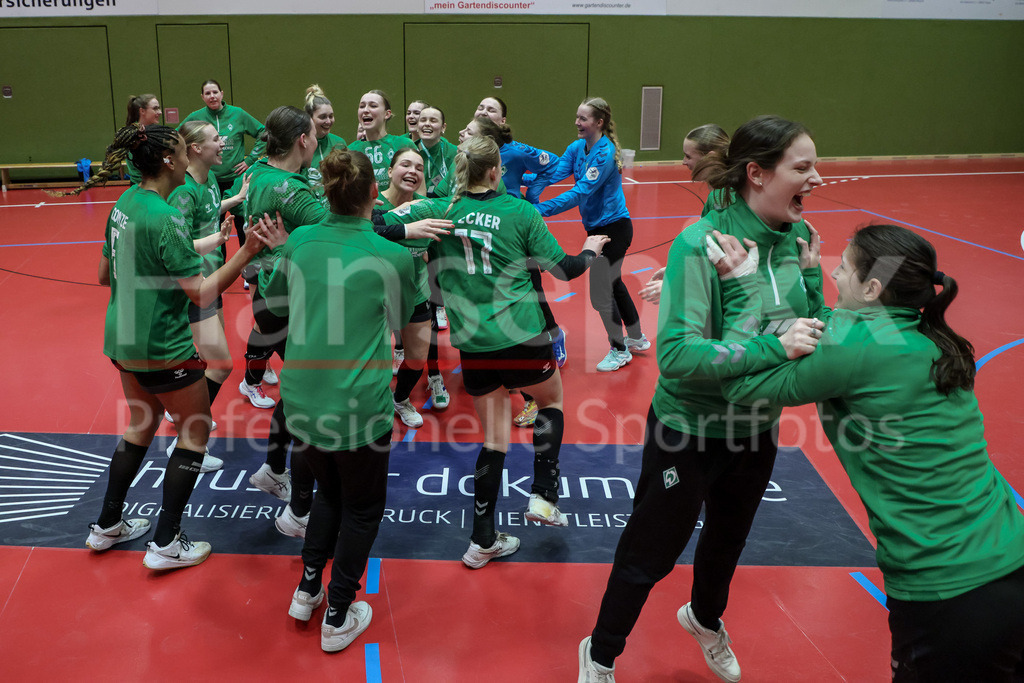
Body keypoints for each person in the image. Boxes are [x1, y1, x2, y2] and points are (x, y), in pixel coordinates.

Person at [577, 115, 826, 683]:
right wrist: (775, 345)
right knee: (651, 553)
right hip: (688, 430)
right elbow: (680, 358)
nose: (817, 179)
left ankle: (705, 619)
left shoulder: (796, 239)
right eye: (804, 167)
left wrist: (811, 286)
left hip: (757, 427)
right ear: (758, 174)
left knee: (727, 542)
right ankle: (601, 652)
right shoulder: (701, 243)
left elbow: (801, 322)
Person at [718, 224, 1024, 682]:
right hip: (1010, 556)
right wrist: (807, 279)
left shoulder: (854, 346)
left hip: (947, 588)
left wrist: (742, 290)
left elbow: (740, 383)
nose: (834, 274)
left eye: (842, 268)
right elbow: (837, 328)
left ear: (873, 287)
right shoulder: (924, 332)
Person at [384, 136, 610, 568]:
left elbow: (370, 221)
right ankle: (543, 496)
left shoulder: (438, 209)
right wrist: (591, 250)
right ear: (494, 172)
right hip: (523, 335)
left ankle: (481, 539)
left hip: (474, 344)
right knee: (551, 402)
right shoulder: (520, 212)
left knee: (494, 439)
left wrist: (404, 229)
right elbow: (564, 269)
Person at [85, 123, 281, 570]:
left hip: (122, 338)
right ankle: (167, 542)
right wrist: (246, 252)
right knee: (195, 432)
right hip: (163, 345)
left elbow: (102, 275)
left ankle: (106, 526)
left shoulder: (124, 203)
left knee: (140, 426)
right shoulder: (165, 217)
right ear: (171, 161)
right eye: (181, 150)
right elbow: (202, 293)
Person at [262, 147, 418, 652]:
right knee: (364, 508)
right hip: (357, 407)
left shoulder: (301, 240)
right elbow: (409, 338)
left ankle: (309, 586)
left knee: (327, 494)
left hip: (302, 401)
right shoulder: (391, 256)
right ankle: (339, 612)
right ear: (375, 193)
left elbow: (275, 308)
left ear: (326, 193)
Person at [242, 106, 326, 536]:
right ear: (302, 141)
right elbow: (335, 235)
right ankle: (298, 511)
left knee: (296, 392)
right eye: (314, 133)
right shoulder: (288, 188)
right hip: (288, 302)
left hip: (268, 298)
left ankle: (274, 470)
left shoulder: (260, 174)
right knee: (311, 401)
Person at [530, 97, 649, 372]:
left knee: (600, 292)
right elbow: (554, 173)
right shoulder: (576, 148)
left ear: (599, 122)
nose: (577, 123)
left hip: (614, 228)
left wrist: (538, 210)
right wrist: (519, 180)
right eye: (576, 117)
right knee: (614, 283)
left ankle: (620, 350)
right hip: (595, 227)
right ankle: (636, 338)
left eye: (583, 119)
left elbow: (581, 191)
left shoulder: (604, 153)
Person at [163, 121, 250, 468]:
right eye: (216, 139)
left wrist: (238, 199)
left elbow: (209, 208)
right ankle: (187, 440)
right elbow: (179, 245)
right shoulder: (183, 191)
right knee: (220, 364)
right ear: (196, 149)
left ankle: (190, 421)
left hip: (210, 282)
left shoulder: (209, 178)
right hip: (193, 288)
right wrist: (216, 240)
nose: (223, 142)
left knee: (208, 361)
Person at [376, 147, 451, 424]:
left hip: (415, 293)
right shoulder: (374, 204)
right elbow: (364, 229)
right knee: (377, 361)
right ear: (389, 171)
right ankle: (375, 403)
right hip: (377, 296)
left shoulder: (426, 206)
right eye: (405, 165)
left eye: (419, 168)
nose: (412, 172)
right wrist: (407, 231)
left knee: (417, 358)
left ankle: (401, 399)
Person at [639, 123, 730, 306]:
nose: (683, 162)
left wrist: (676, 282)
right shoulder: (717, 195)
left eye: (688, 156)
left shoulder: (727, 198)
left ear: (709, 157)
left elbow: (723, 256)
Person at [348, 90, 408, 192]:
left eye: (373, 106)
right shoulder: (351, 150)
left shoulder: (403, 144)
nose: (365, 110)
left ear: (387, 114)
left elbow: (419, 190)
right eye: (362, 106)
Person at [304, 84, 348, 206]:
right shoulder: (301, 146)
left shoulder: (339, 143)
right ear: (309, 118)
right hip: (310, 208)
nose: (328, 121)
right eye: (323, 117)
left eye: (331, 116)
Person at [416, 106, 458, 197]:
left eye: (433, 120)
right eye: (423, 120)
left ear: (443, 127)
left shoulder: (454, 152)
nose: (427, 124)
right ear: (417, 126)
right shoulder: (408, 150)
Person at [125, 94, 162, 185]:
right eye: (155, 108)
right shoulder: (133, 135)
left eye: (159, 108)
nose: (160, 112)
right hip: (142, 186)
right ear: (142, 111)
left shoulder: (155, 131)